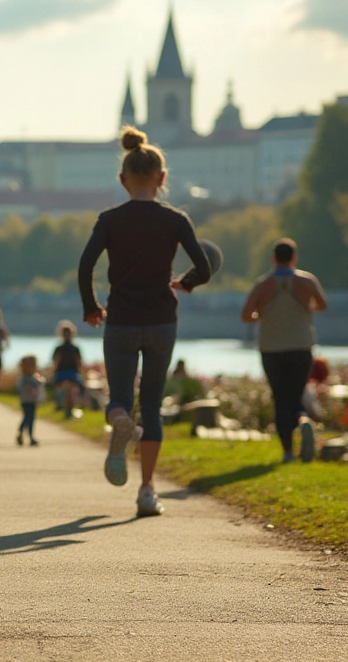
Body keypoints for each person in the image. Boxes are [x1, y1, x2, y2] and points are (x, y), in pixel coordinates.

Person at [78, 126, 211, 518]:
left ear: (123, 180)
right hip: (160, 321)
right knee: (151, 405)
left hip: (119, 319)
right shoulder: (176, 220)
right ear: (162, 179)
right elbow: (202, 267)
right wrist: (183, 283)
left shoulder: (109, 219)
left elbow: (86, 267)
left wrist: (91, 307)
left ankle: (120, 422)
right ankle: (147, 491)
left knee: (120, 398)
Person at [241, 237, 328, 464]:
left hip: (272, 349)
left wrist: (263, 314)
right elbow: (322, 305)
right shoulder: (307, 281)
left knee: (280, 398)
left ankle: (288, 451)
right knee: (296, 392)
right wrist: (304, 310)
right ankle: (302, 420)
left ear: (273, 259)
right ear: (294, 258)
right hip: (301, 347)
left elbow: (246, 316)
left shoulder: (262, 285)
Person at [50, 320, 83, 419]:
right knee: (69, 392)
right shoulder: (62, 348)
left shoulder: (71, 348)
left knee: (69, 392)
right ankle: (68, 410)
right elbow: (56, 362)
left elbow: (78, 362)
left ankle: (68, 410)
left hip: (70, 373)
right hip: (64, 373)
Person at [16, 355, 45, 447]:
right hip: (26, 401)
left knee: (31, 419)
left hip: (32, 401)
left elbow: (41, 383)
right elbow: (24, 387)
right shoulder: (24, 379)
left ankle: (31, 436)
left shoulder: (34, 377)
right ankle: (21, 431)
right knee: (28, 417)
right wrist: (32, 390)